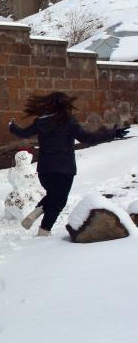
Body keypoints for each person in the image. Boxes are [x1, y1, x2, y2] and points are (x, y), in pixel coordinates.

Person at [9, 92, 128, 236]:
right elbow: (87, 138)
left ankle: (37, 213)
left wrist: (12, 126)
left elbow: (24, 133)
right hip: (64, 169)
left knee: (53, 196)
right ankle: (44, 231)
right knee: (58, 201)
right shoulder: (68, 122)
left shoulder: (40, 122)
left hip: (45, 170)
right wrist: (112, 133)